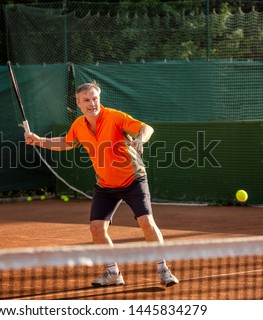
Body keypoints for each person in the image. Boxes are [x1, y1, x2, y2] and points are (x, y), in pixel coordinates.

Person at [24, 81, 179, 287]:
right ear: (78, 103)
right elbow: (66, 143)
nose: (92, 103)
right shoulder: (79, 125)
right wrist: (39, 140)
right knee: (97, 228)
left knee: (147, 223)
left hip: (133, 179)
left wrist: (141, 138)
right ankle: (113, 273)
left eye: (95, 98)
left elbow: (146, 127)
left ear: (100, 99)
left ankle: (163, 269)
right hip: (106, 185)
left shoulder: (115, 117)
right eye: (86, 100)